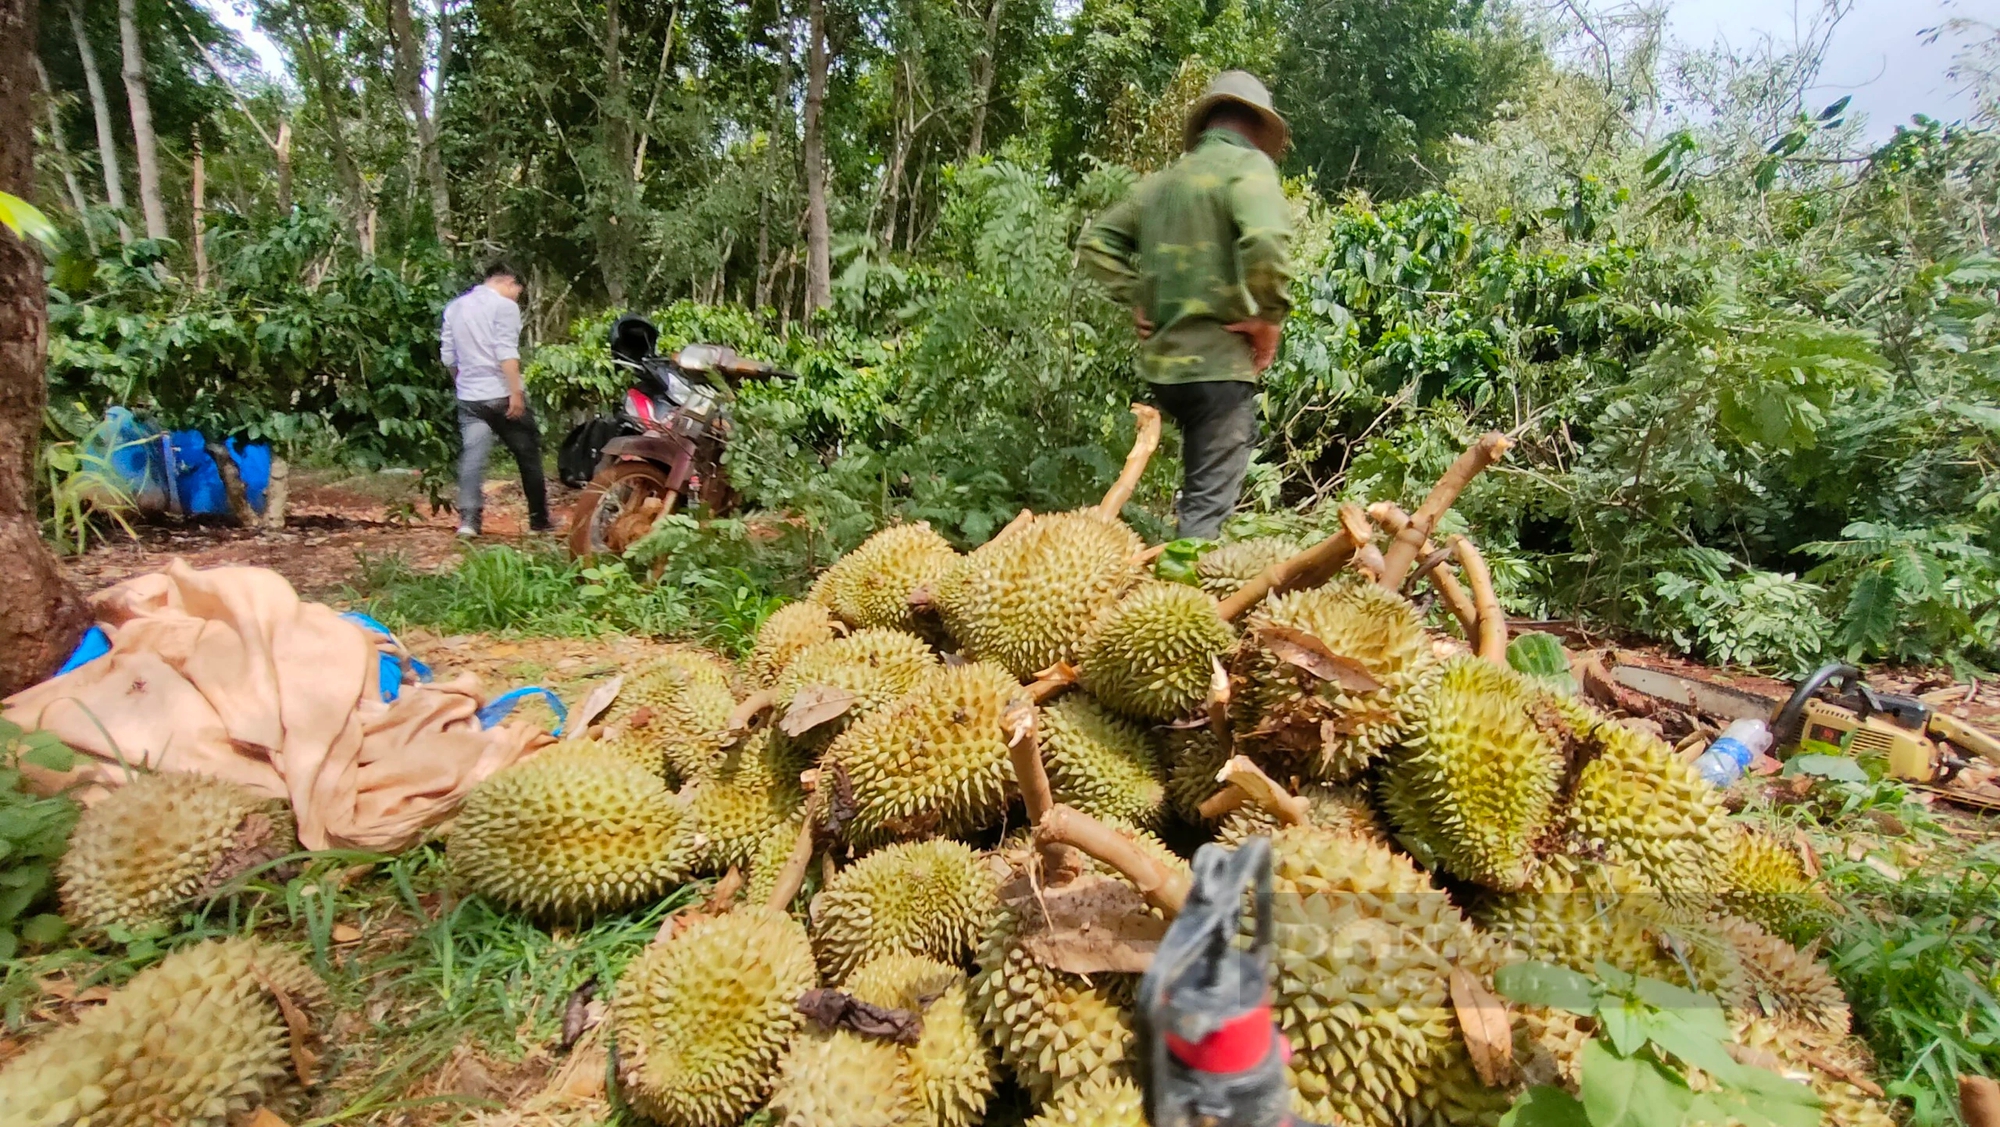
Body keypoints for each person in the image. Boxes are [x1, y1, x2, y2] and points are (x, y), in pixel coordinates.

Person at [1079, 70, 1294, 541]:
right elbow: (1267, 240)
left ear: (1207, 124)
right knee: (1203, 515)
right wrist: (1268, 319)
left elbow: (1095, 244)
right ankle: (1181, 601)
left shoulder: (1162, 184)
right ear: (1257, 128)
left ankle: (1157, 581)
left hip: (1164, 372)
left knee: (1185, 494)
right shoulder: (1248, 169)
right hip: (1218, 370)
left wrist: (1139, 297)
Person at [441, 261, 551, 536]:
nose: (517, 296)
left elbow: (448, 357)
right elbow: (506, 352)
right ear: (507, 282)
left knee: (473, 456)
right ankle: (539, 521)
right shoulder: (504, 307)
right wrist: (516, 392)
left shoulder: (455, 308)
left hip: (469, 397)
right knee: (527, 454)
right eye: (517, 289)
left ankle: (469, 522)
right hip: (501, 393)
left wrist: (462, 383)